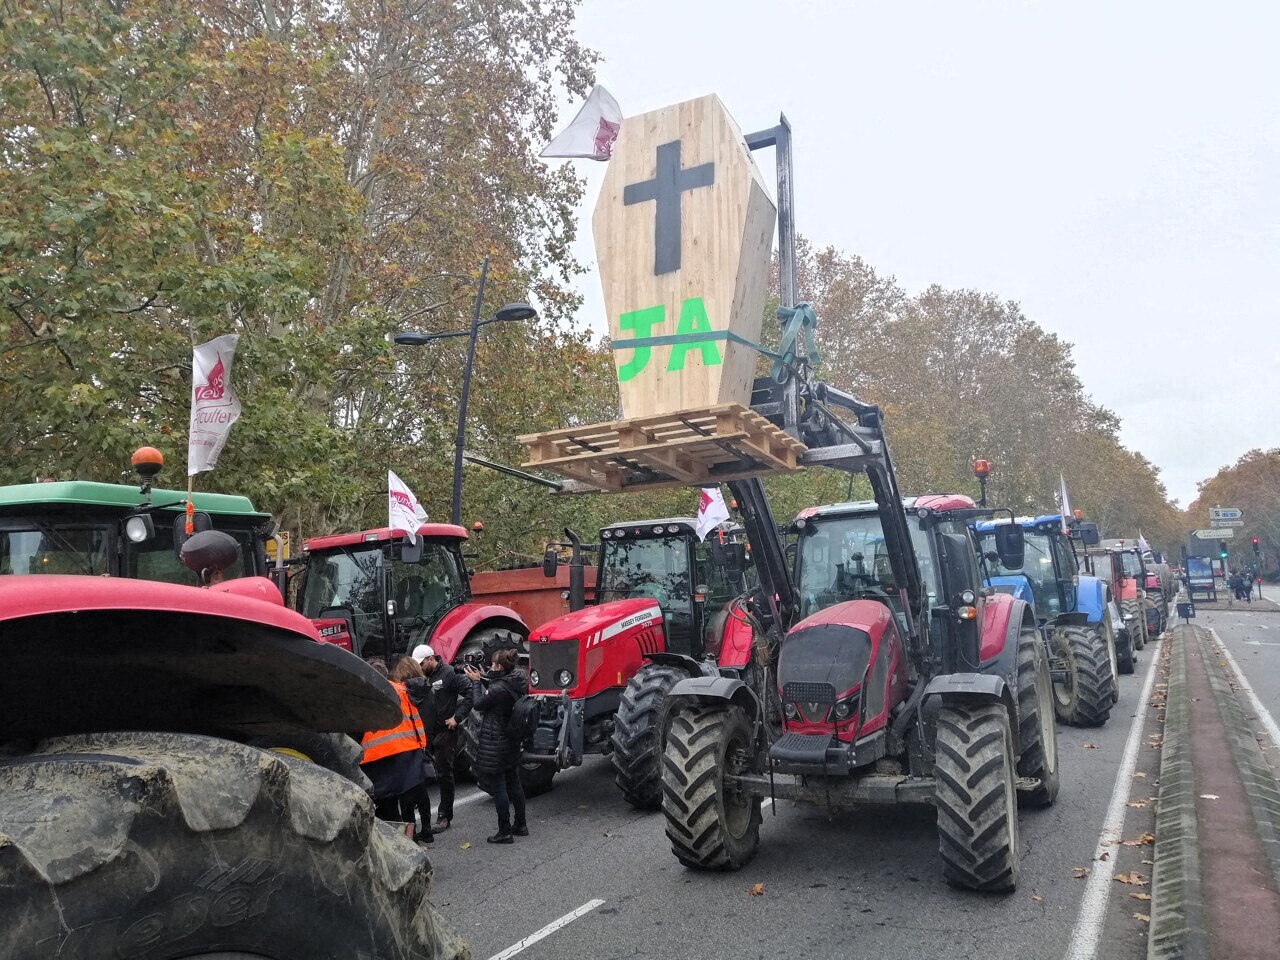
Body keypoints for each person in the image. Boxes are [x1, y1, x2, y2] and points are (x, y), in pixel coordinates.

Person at [360, 659, 432, 847]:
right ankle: (412, 843)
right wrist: (421, 747)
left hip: (373, 760)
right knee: (409, 804)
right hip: (406, 755)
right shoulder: (401, 691)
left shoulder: (361, 696)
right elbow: (416, 721)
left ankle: (393, 846)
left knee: (386, 809)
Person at [463, 648, 528, 844]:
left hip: (496, 742)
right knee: (514, 782)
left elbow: (479, 704)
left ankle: (504, 831)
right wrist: (485, 677)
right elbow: (498, 689)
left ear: (499, 666)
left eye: (492, 664)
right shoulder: (515, 681)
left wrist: (475, 682)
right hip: (511, 740)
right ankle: (521, 824)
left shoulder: (498, 688)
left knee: (499, 787)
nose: (490, 667)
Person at [404, 643, 473, 831]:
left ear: (430, 659)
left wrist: (457, 718)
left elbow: (469, 691)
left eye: (421, 664)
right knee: (421, 771)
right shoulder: (420, 677)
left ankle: (444, 815)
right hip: (425, 732)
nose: (418, 668)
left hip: (445, 731)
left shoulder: (449, 674)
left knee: (444, 773)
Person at [389, 656, 435, 843]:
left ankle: (411, 833)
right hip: (423, 743)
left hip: (405, 745)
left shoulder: (401, 692)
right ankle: (427, 829)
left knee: (406, 794)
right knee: (421, 790)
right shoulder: (428, 689)